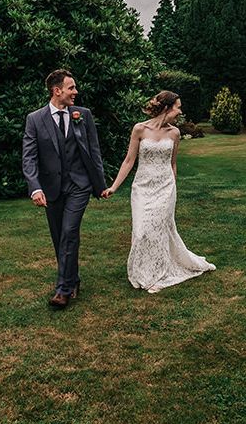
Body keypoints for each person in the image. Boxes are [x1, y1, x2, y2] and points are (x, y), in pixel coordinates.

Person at [105, 91, 215, 293]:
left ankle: (157, 274)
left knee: (158, 230)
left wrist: (173, 188)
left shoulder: (174, 133)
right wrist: (114, 187)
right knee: (141, 231)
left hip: (165, 188)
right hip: (142, 187)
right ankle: (143, 271)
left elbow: (173, 164)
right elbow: (129, 161)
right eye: (178, 107)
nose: (180, 112)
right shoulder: (140, 129)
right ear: (166, 108)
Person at [22, 69, 107, 308]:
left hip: (80, 185)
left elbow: (94, 151)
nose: (75, 92)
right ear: (56, 91)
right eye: (71, 88)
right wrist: (35, 188)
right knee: (60, 236)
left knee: (69, 232)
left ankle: (63, 290)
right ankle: (73, 278)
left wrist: (99, 185)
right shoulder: (35, 119)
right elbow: (29, 157)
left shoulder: (84, 115)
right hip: (51, 188)